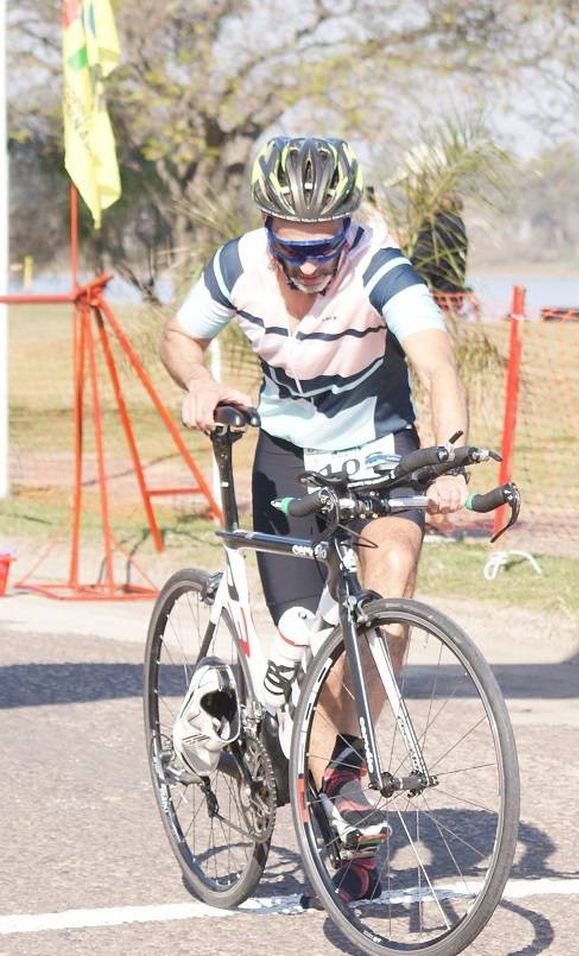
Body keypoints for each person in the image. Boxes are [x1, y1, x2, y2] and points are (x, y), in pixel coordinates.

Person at [159, 136, 468, 905]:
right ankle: (246, 710)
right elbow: (178, 336)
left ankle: (341, 781)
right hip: (288, 458)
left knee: (384, 594)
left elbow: (435, 361)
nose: (307, 264)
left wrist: (451, 459)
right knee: (298, 637)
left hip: (379, 452)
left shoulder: (379, 267)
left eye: (322, 245)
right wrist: (199, 381)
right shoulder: (238, 265)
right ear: (268, 227)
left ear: (347, 226)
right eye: (291, 247)